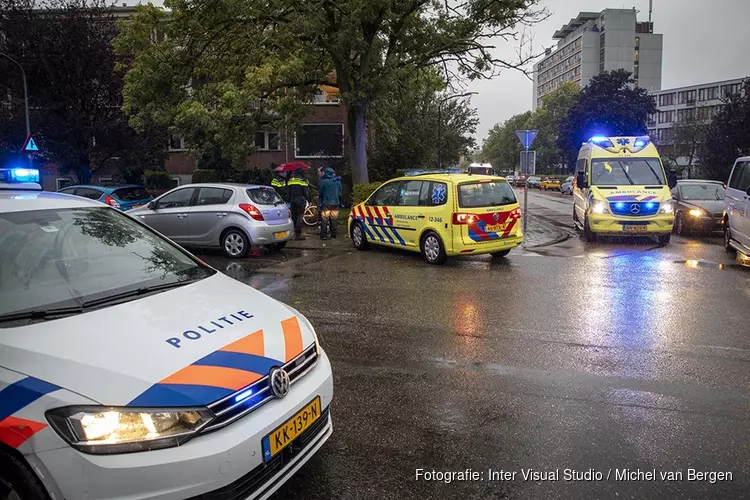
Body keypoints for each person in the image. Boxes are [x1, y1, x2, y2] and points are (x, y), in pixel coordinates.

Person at [287, 167, 310, 240]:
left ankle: (292, 233)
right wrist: (308, 199)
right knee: (299, 216)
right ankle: (298, 234)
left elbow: (288, 191)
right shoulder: (303, 180)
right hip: (300, 200)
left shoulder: (291, 180)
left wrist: (288, 200)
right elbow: (306, 192)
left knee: (293, 216)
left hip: (292, 199)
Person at [318, 167, 341, 240]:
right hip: (336, 203)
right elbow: (340, 193)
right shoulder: (337, 181)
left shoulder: (323, 182)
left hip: (326, 203)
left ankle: (323, 236)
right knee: (333, 220)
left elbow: (320, 193)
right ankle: (333, 236)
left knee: (324, 220)